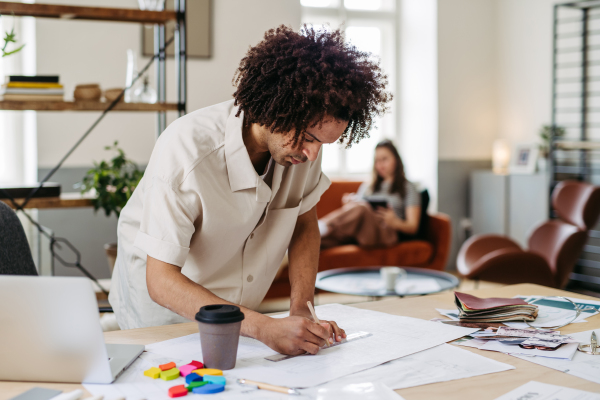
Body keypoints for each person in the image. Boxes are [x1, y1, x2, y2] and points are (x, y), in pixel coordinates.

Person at [109, 25, 392, 356]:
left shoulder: (303, 146)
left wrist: (302, 306)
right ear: (277, 108)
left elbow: (304, 223)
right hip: (167, 310)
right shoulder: (186, 150)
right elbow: (161, 281)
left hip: (238, 311)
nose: (313, 155)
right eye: (310, 138)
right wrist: (263, 326)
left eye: (323, 143)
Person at [318, 140, 421, 249]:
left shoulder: (408, 187)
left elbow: (413, 226)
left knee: (362, 208)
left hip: (387, 233)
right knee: (325, 240)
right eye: (377, 161)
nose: (380, 165)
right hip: (362, 232)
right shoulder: (368, 186)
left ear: (396, 159)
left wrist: (394, 221)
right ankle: (309, 239)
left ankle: (321, 225)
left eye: (384, 159)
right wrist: (349, 204)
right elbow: (355, 213)